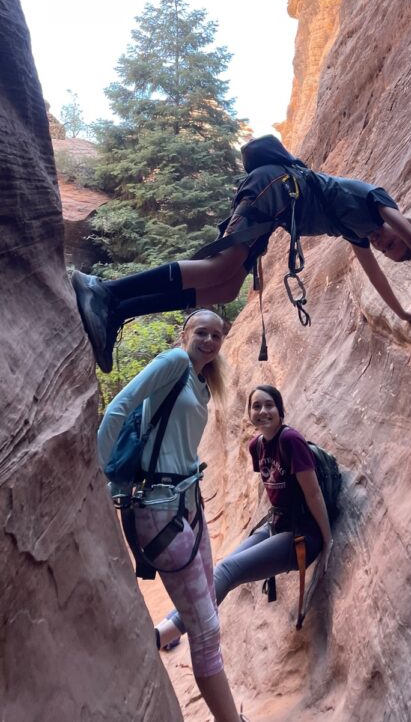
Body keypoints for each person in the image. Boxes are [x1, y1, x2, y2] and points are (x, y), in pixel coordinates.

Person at [73, 134, 411, 372]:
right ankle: (107, 291)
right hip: (275, 187)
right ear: (399, 223)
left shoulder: (361, 232)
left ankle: (118, 311)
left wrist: (404, 312)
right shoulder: (376, 200)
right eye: (392, 240)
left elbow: (375, 276)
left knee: (227, 288)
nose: (383, 245)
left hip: (276, 213)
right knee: (223, 264)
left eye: (388, 250)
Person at [97, 309, 248, 722]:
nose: (210, 341)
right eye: (202, 332)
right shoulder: (175, 363)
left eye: (217, 335)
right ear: (185, 333)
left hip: (188, 505)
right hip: (160, 512)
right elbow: (119, 407)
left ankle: (164, 638)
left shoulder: (201, 381)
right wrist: (99, 478)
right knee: (207, 632)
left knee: (207, 617)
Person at [155, 383, 332, 650]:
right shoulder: (256, 446)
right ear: (249, 413)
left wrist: (327, 541)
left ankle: (161, 635)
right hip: (278, 525)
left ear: (280, 410)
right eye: (256, 406)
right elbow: (271, 487)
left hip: (303, 535)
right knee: (221, 568)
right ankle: (174, 625)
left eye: (269, 405)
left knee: (228, 571)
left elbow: (314, 493)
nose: (263, 411)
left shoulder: (290, 440)